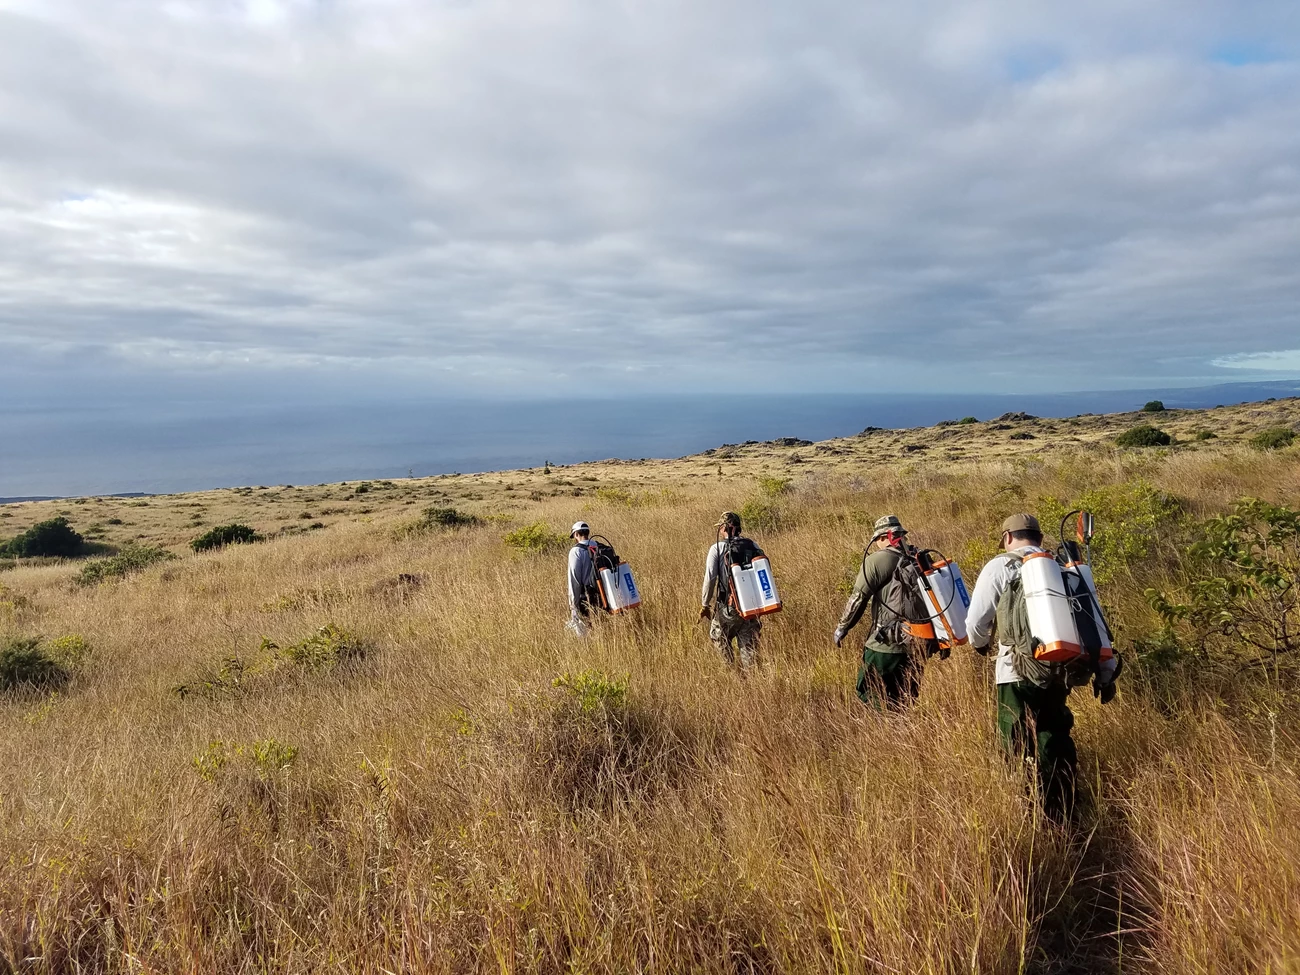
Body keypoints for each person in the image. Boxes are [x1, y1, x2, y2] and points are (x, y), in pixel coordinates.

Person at [967, 513, 1120, 819]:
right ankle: (1063, 808)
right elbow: (1095, 624)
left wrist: (980, 644)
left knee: (1016, 741)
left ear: (1008, 537)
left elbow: (975, 623)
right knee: (1055, 735)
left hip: (1015, 672)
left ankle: (1027, 813)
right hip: (1060, 668)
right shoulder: (1060, 568)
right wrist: (1105, 675)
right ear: (1038, 537)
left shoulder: (1001, 565)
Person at [834, 514, 927, 709]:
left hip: (886, 645)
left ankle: (883, 727)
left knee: (871, 694)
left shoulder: (877, 560)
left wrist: (842, 628)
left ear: (884, 537)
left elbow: (858, 599)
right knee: (905, 699)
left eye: (877, 539)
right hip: (920, 644)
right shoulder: (920, 557)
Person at [699, 511, 764, 671]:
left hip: (729, 608)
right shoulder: (753, 545)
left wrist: (705, 605)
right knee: (749, 648)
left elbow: (710, 579)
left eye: (721, 527)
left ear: (725, 527)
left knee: (718, 635)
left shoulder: (717, 548)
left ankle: (731, 674)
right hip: (752, 607)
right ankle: (752, 678)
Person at [566, 521, 600, 635]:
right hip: (603, 595)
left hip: (586, 598)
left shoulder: (576, 551)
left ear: (576, 534)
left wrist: (573, 605)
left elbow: (574, 580)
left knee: (585, 632)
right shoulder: (598, 546)